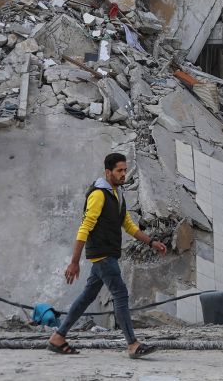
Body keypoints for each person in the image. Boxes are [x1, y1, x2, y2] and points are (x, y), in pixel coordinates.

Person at [47, 153, 168, 358]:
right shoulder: (98, 195)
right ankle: (133, 344)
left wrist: (151, 242)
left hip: (108, 254)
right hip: (102, 255)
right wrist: (74, 262)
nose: (123, 174)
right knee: (120, 294)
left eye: (124, 170)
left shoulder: (117, 194)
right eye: (119, 170)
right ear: (108, 172)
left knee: (88, 296)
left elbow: (128, 225)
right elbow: (85, 227)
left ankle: (58, 337)